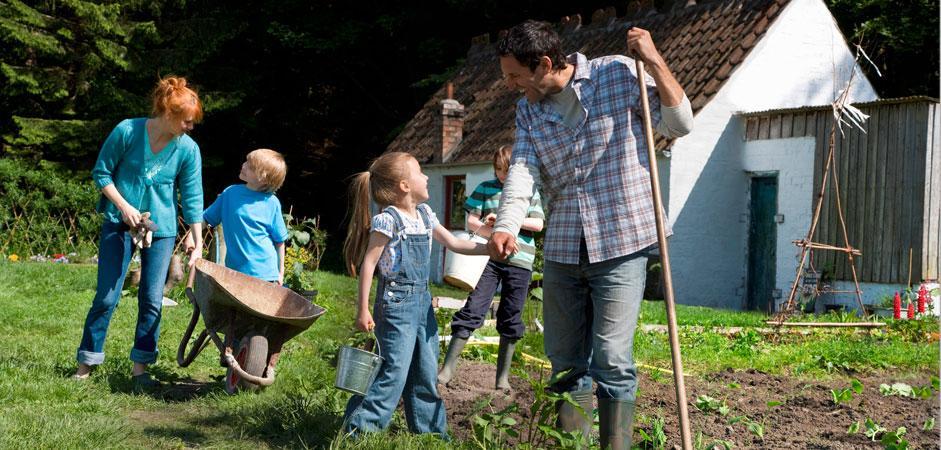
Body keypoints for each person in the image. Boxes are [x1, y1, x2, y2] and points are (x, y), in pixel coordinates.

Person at [488, 21, 694, 449]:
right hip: (564, 244)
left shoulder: (617, 74)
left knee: (612, 360)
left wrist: (654, 60)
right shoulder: (529, 108)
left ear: (544, 64)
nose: (509, 84)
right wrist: (507, 224)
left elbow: (679, 123)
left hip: (622, 240)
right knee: (564, 361)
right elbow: (523, 169)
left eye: (513, 75)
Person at [341, 151, 488, 438]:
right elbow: (368, 264)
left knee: (425, 369)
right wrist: (362, 310)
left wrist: (490, 247)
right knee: (393, 372)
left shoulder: (423, 215)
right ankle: (358, 431)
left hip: (422, 301)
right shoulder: (390, 219)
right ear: (404, 185)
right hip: (396, 303)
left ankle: (431, 434)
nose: (425, 177)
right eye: (420, 172)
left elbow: (455, 243)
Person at [74, 76, 205, 390]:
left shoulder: (188, 149)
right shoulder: (127, 131)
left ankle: (140, 370)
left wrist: (198, 239)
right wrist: (123, 207)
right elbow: (102, 172)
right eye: (186, 121)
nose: (190, 127)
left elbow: (192, 196)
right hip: (119, 223)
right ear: (167, 113)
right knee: (107, 296)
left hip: (161, 231)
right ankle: (86, 362)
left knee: (151, 299)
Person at [437, 144, 544, 390]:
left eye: (506, 170)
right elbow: (472, 220)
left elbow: (538, 224)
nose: (502, 175)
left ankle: (502, 379)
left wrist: (508, 223)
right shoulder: (486, 188)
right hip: (491, 260)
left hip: (521, 263)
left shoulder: (527, 191)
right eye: (498, 169)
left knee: (511, 316)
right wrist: (496, 230)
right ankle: (447, 369)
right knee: (473, 308)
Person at [187, 148, 289, 285]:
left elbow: (279, 241)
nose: (244, 165)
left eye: (250, 166)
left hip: (265, 275)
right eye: (246, 161)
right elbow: (206, 218)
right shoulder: (230, 194)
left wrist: (280, 273)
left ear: (263, 178)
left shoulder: (272, 203)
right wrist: (191, 237)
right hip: (235, 272)